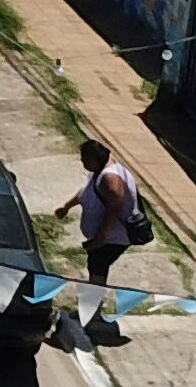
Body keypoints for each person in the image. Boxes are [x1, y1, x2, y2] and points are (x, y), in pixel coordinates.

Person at [57, 138, 143, 346]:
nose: (82, 163)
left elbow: (116, 204)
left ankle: (91, 314)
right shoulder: (103, 169)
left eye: (84, 159)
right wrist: (67, 206)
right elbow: (87, 192)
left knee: (97, 269)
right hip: (107, 236)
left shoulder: (110, 178)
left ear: (94, 159)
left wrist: (102, 236)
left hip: (114, 238)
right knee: (96, 268)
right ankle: (90, 310)